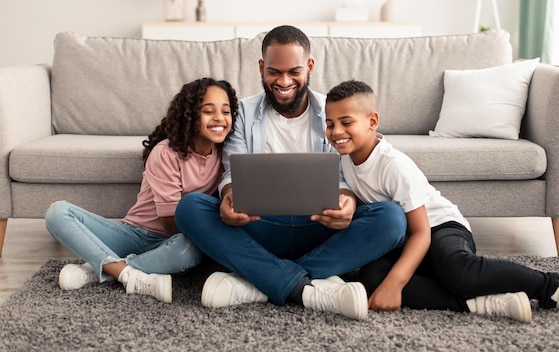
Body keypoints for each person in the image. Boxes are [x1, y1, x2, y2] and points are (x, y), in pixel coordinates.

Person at [323, 79, 559, 324]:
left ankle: (554, 287)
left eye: (346, 122)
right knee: (371, 280)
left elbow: (422, 233)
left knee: (457, 271)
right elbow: (347, 187)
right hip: (401, 239)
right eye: (330, 124)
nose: (336, 132)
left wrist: (397, 282)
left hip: (438, 227)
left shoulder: (393, 164)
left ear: (372, 121)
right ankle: (484, 304)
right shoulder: (344, 158)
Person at [174, 25, 406, 320]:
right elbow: (232, 172)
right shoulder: (242, 112)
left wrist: (347, 200)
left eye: (294, 71)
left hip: (319, 226)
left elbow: (343, 175)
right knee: (190, 207)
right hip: (259, 225)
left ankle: (260, 281)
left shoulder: (330, 112)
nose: (284, 82)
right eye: (274, 72)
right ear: (261, 68)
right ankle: (306, 282)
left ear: (309, 66)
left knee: (392, 218)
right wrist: (230, 197)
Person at [45, 77, 238, 303]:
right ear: (190, 114)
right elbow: (169, 221)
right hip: (134, 234)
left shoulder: (225, 155)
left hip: (174, 243)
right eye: (208, 111)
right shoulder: (166, 152)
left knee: (189, 251)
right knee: (57, 213)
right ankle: (127, 274)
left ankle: (101, 268)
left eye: (226, 112)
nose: (219, 118)